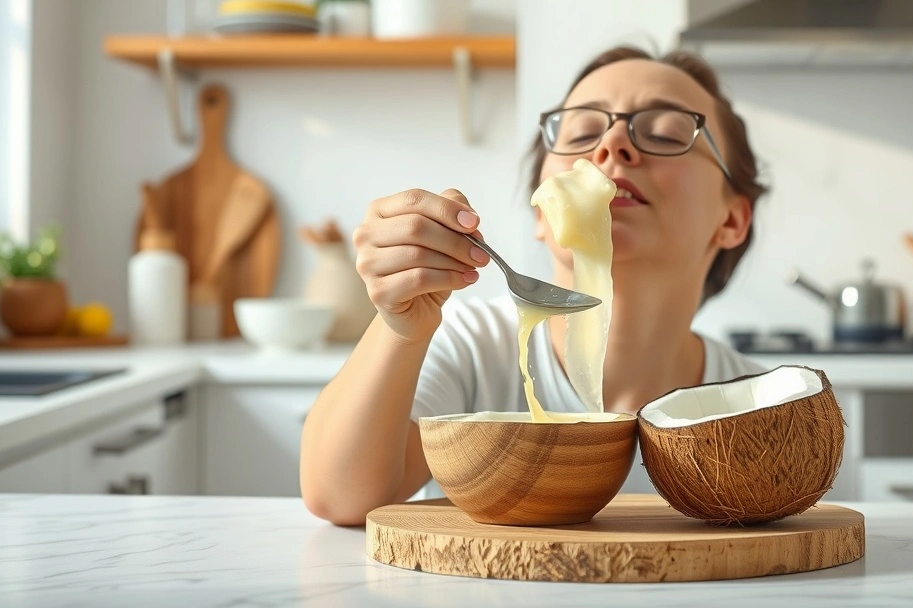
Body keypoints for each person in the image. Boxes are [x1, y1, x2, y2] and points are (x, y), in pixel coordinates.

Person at [300, 45, 771, 526]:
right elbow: (341, 498)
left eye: (666, 134)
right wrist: (400, 329)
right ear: (538, 214)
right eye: (583, 132)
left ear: (732, 218)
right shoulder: (467, 345)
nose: (609, 146)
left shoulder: (761, 406)